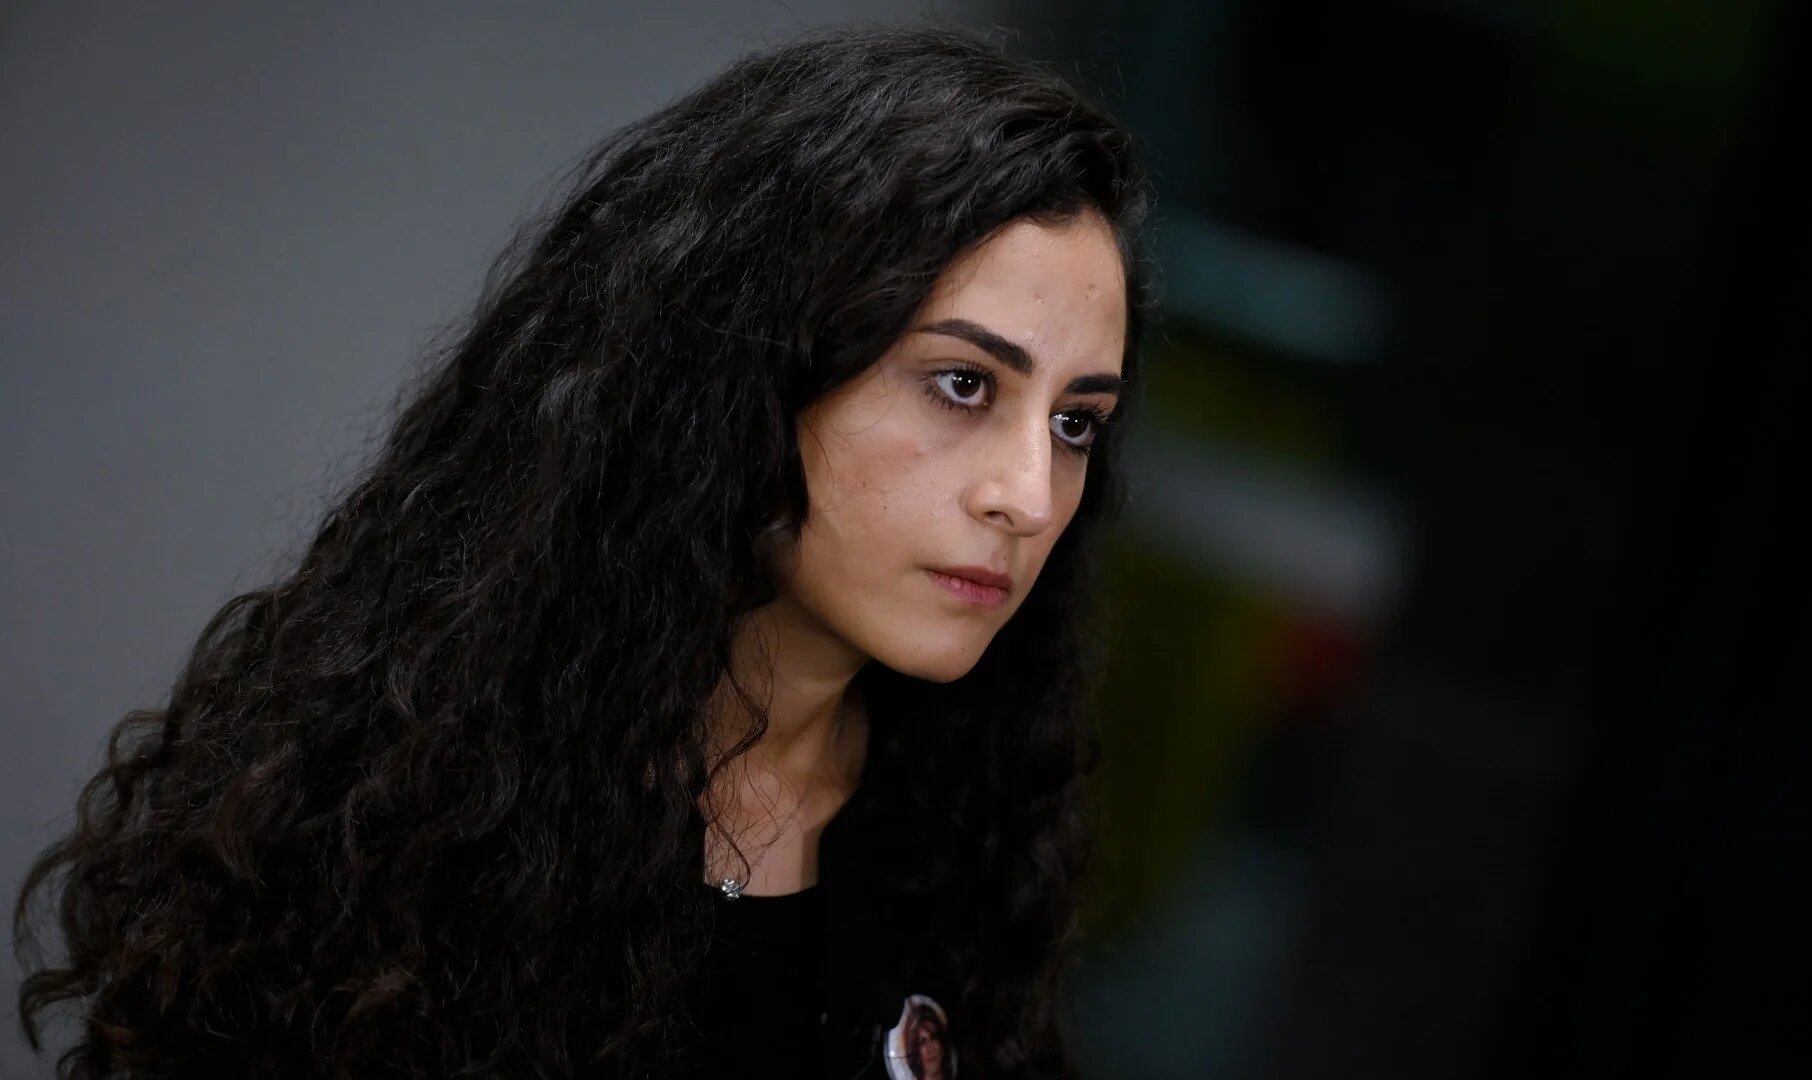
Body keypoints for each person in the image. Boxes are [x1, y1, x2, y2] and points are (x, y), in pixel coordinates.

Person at [12, 23, 1151, 1079]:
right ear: (749, 376)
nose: (1028, 494)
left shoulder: (970, 825)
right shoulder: (424, 804)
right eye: (963, 384)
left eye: (1074, 423)